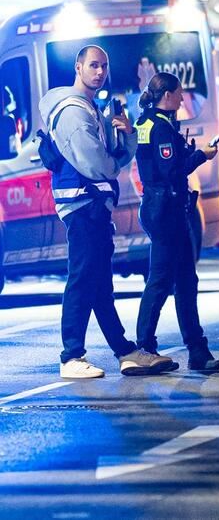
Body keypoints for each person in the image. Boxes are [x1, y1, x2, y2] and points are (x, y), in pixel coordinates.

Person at [38, 45, 175, 379]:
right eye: (93, 65)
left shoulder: (91, 108)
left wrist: (127, 134)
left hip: (94, 206)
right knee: (83, 279)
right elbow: (100, 164)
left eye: (104, 66)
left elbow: (115, 153)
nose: (99, 72)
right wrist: (113, 162)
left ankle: (125, 352)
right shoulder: (72, 110)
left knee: (99, 284)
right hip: (82, 205)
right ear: (78, 67)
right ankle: (71, 357)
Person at [132, 72, 219, 373]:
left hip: (162, 207)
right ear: (167, 95)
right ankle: (145, 347)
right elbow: (173, 170)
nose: (183, 99)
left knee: (184, 280)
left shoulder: (147, 122)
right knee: (161, 280)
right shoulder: (160, 128)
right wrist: (202, 155)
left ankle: (196, 350)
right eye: (180, 93)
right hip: (167, 209)